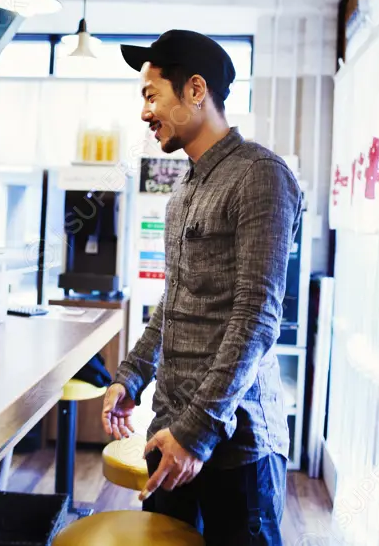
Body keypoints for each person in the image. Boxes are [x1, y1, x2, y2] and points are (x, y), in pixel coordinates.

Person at [102, 30, 303, 545]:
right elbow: (176, 303)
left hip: (234, 445)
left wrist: (198, 431)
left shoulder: (260, 175)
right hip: (169, 430)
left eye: (152, 95)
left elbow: (257, 317)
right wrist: (129, 377)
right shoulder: (185, 188)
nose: (145, 113)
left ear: (195, 90)